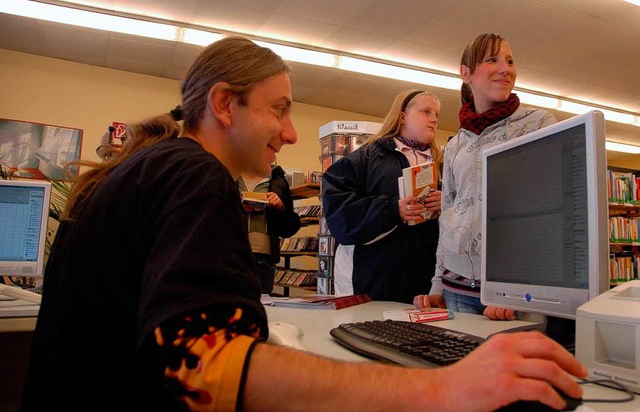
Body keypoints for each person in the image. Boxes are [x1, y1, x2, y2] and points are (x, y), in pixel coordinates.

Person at [22, 36, 586, 412]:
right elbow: (205, 367)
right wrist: (442, 386)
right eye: (279, 109)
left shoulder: (151, 167)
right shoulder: (193, 174)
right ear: (224, 104)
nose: (291, 134)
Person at [413, 33, 557, 321]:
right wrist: (437, 285)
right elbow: (449, 215)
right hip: (456, 289)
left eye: (510, 61)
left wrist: (521, 290)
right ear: (465, 73)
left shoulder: (537, 124)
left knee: (518, 366)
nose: (506, 69)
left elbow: (547, 217)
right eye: (492, 60)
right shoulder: (455, 144)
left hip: (515, 294)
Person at [321, 89, 444, 304]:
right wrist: (392, 209)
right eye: (426, 111)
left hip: (425, 280)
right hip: (372, 276)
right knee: (368, 332)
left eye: (437, 114)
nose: (434, 119)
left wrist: (446, 204)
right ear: (403, 116)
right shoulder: (366, 157)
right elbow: (338, 212)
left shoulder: (441, 165)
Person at [238, 164, 301, 294]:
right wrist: (235, 207)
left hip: (264, 258)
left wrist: (280, 207)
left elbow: (289, 228)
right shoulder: (229, 176)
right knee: (229, 306)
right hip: (232, 254)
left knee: (263, 307)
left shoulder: (279, 181)